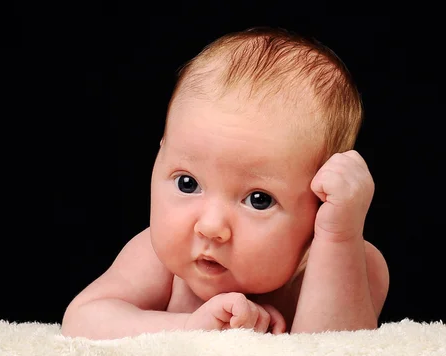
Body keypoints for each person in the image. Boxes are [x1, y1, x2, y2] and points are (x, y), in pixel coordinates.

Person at [61, 27, 390, 339]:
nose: (210, 226)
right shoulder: (157, 258)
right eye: (188, 183)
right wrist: (190, 328)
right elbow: (82, 320)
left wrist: (338, 237)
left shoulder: (352, 261)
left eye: (259, 199)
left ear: (320, 204)